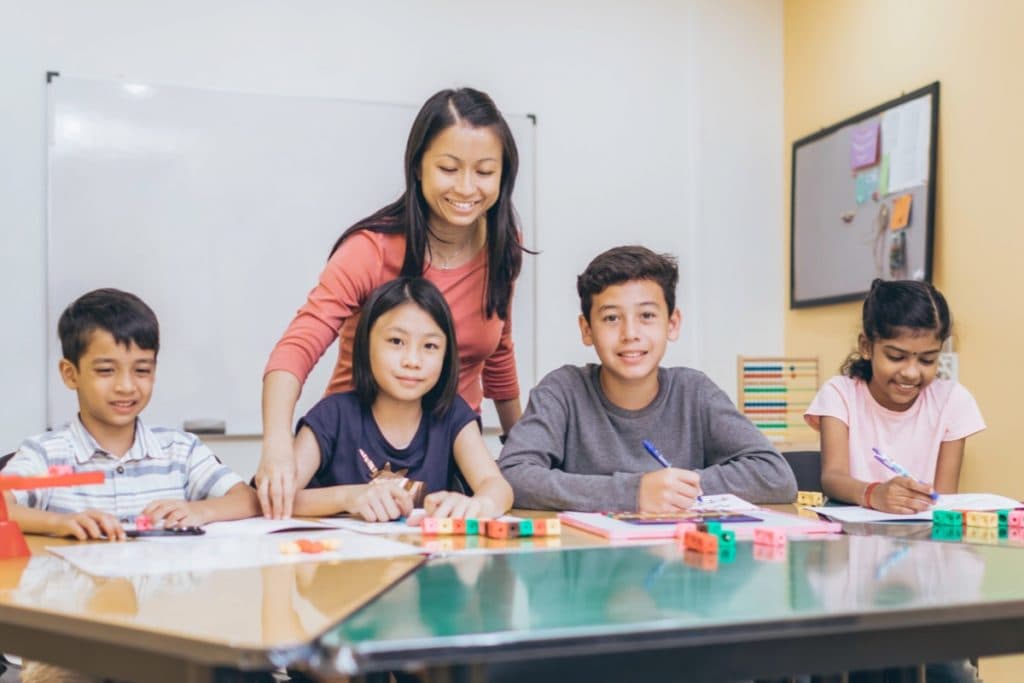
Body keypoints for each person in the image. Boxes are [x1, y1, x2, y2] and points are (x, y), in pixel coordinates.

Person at [259, 87, 527, 518]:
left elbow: (498, 352)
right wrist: (276, 448)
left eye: (484, 171)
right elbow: (299, 345)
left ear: (504, 175)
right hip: (357, 452)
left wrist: (524, 452)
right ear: (418, 166)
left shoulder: (504, 246)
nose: (466, 187)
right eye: (448, 167)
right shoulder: (372, 249)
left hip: (447, 452)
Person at [498, 245, 796, 511]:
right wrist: (635, 491)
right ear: (586, 329)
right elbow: (513, 474)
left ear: (673, 323)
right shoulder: (562, 391)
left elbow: (775, 476)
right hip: (591, 564)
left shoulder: (694, 391)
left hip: (679, 565)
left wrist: (672, 489)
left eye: (647, 316)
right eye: (611, 318)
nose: (630, 334)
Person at [3, 289, 259, 541]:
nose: (126, 386)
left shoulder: (180, 450)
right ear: (71, 374)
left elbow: (248, 499)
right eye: (106, 371)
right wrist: (59, 523)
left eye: (142, 370)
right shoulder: (47, 456)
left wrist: (200, 510)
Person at [291, 277, 512, 521]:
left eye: (430, 346)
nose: (412, 361)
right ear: (365, 345)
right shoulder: (332, 415)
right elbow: (280, 495)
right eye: (396, 342)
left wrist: (479, 505)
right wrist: (347, 497)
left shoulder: (452, 415)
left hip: (427, 556)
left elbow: (497, 486)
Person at [805, 279, 985, 514]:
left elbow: (943, 500)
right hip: (853, 541)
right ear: (866, 346)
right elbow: (833, 477)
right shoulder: (839, 395)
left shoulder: (953, 401)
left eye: (927, 360)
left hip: (924, 540)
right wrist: (874, 494)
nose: (911, 372)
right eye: (896, 357)